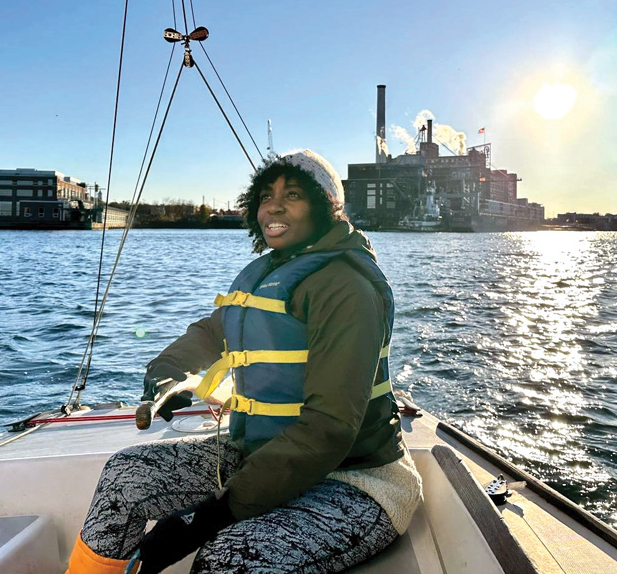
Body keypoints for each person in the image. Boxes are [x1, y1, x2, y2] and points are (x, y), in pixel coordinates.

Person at [67, 149, 422, 574]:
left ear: (327, 207)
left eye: (293, 194)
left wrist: (208, 518)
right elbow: (212, 332)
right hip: (262, 455)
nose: (273, 205)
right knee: (125, 477)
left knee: (228, 558)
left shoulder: (345, 286)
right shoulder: (268, 274)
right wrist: (165, 376)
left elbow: (329, 428)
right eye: (265, 195)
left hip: (357, 480)